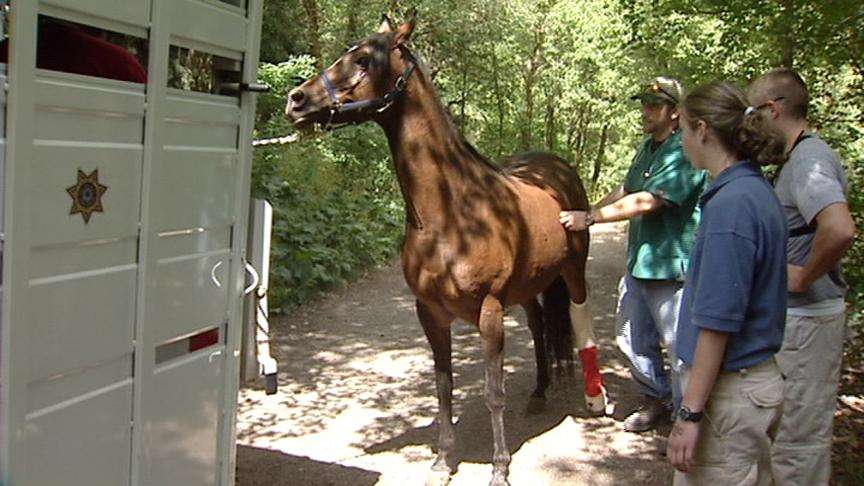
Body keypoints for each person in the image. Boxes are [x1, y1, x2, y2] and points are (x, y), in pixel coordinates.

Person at [560, 76, 707, 432]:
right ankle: (654, 399)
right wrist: (590, 209)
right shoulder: (648, 147)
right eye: (644, 104)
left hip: (671, 267)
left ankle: (687, 419)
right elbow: (628, 188)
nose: (645, 111)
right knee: (631, 338)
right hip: (639, 264)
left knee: (679, 348)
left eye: (654, 106)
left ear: (675, 113)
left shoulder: (684, 151)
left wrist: (591, 217)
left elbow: (650, 199)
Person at [666, 81, 789, 485]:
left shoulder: (731, 208)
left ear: (702, 130)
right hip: (752, 384)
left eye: (683, 129)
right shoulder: (752, 189)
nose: (682, 139)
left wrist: (690, 413)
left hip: (729, 393)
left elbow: (717, 323)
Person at [748, 69, 856, 485]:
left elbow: (840, 227)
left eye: (753, 113)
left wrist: (803, 277)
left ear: (773, 110)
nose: (750, 123)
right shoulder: (795, 159)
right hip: (793, 324)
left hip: (808, 325)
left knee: (797, 444)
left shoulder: (810, 159)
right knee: (777, 436)